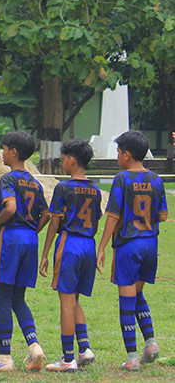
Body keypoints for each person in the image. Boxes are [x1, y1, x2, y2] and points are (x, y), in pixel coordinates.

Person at [0, 130, 50, 372]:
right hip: (30, 239)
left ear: (14, 152)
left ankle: (5, 357)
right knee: (18, 298)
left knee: (2, 297)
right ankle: (34, 346)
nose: (2, 153)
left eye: (4, 149)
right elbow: (46, 214)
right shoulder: (35, 182)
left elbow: (9, 208)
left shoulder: (8, 179)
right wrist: (32, 230)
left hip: (11, 238)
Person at [96, 130, 168, 371]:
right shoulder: (157, 179)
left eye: (118, 152)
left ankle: (132, 357)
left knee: (126, 300)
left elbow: (113, 215)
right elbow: (163, 215)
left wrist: (102, 247)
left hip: (129, 245)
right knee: (137, 294)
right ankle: (151, 343)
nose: (117, 156)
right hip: (150, 245)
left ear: (126, 154)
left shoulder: (122, 179)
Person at [38, 138, 101, 372]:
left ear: (72, 160)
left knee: (66, 302)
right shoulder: (95, 189)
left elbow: (55, 222)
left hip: (70, 243)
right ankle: (84, 349)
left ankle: (67, 359)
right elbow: (97, 218)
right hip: (89, 244)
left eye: (63, 159)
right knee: (75, 299)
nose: (62, 162)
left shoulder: (63, 188)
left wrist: (45, 253)